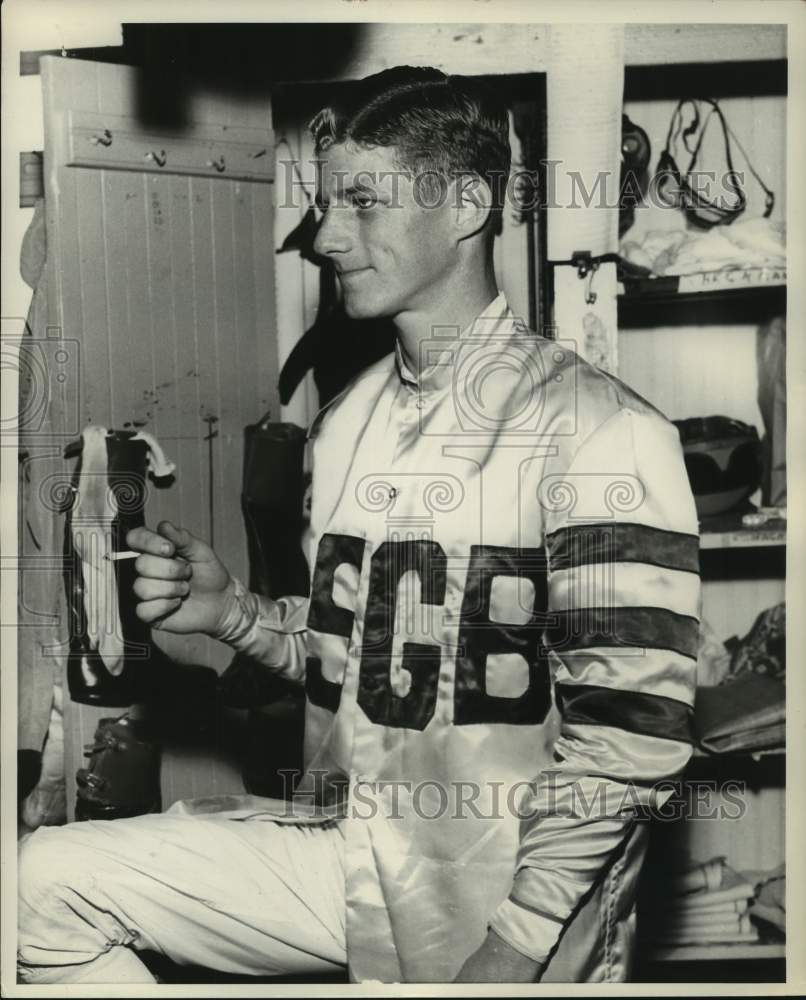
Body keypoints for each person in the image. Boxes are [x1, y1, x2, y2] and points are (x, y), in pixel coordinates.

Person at [17, 66, 701, 984]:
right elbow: (368, 664)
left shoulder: (605, 432)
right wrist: (238, 617)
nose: (327, 237)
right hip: (349, 857)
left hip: (508, 893)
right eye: (324, 203)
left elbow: (630, 740)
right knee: (42, 886)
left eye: (363, 203)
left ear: (465, 203)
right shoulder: (346, 421)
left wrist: (516, 946)